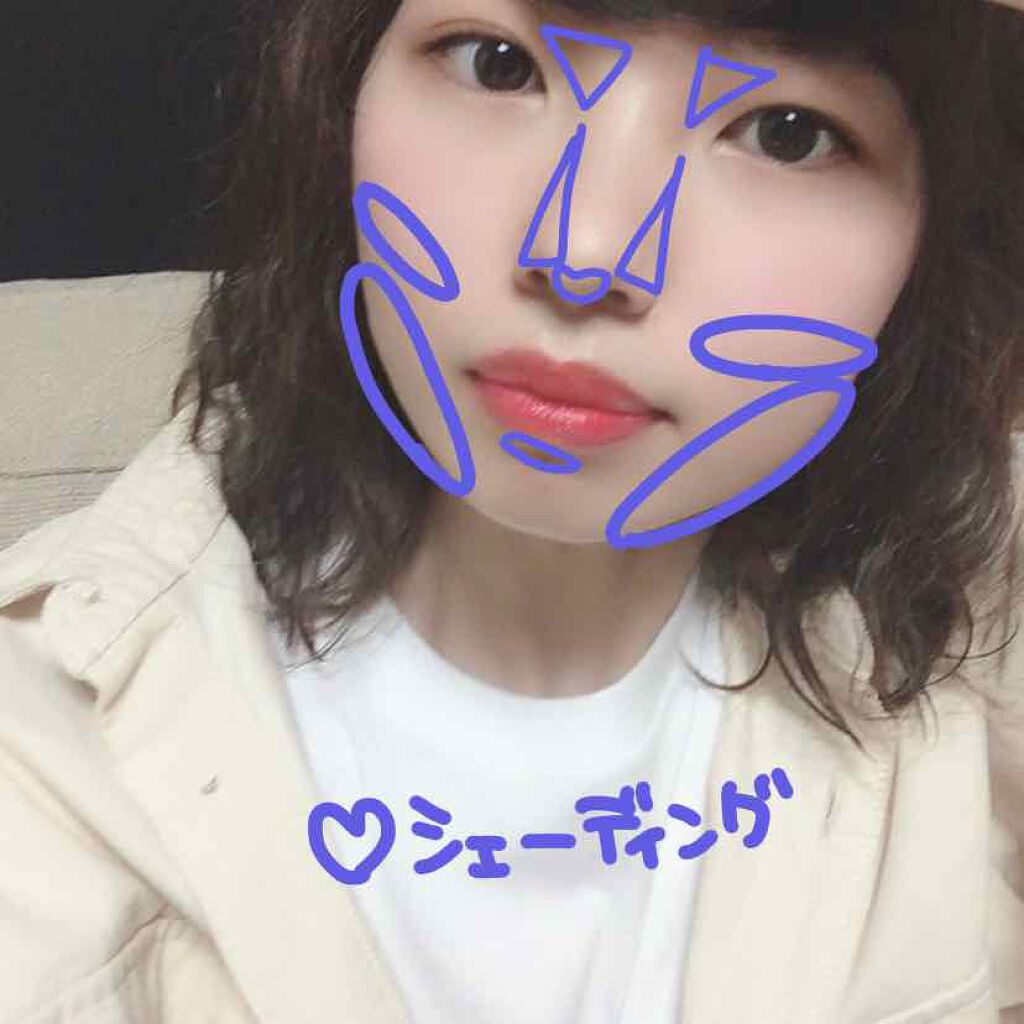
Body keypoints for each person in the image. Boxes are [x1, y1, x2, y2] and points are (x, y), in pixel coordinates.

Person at [1, 0, 1022, 1021]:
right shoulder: (45, 741)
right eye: (498, 65)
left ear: (933, 228)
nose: (586, 253)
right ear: (340, 95)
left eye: (785, 134)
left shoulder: (986, 627)